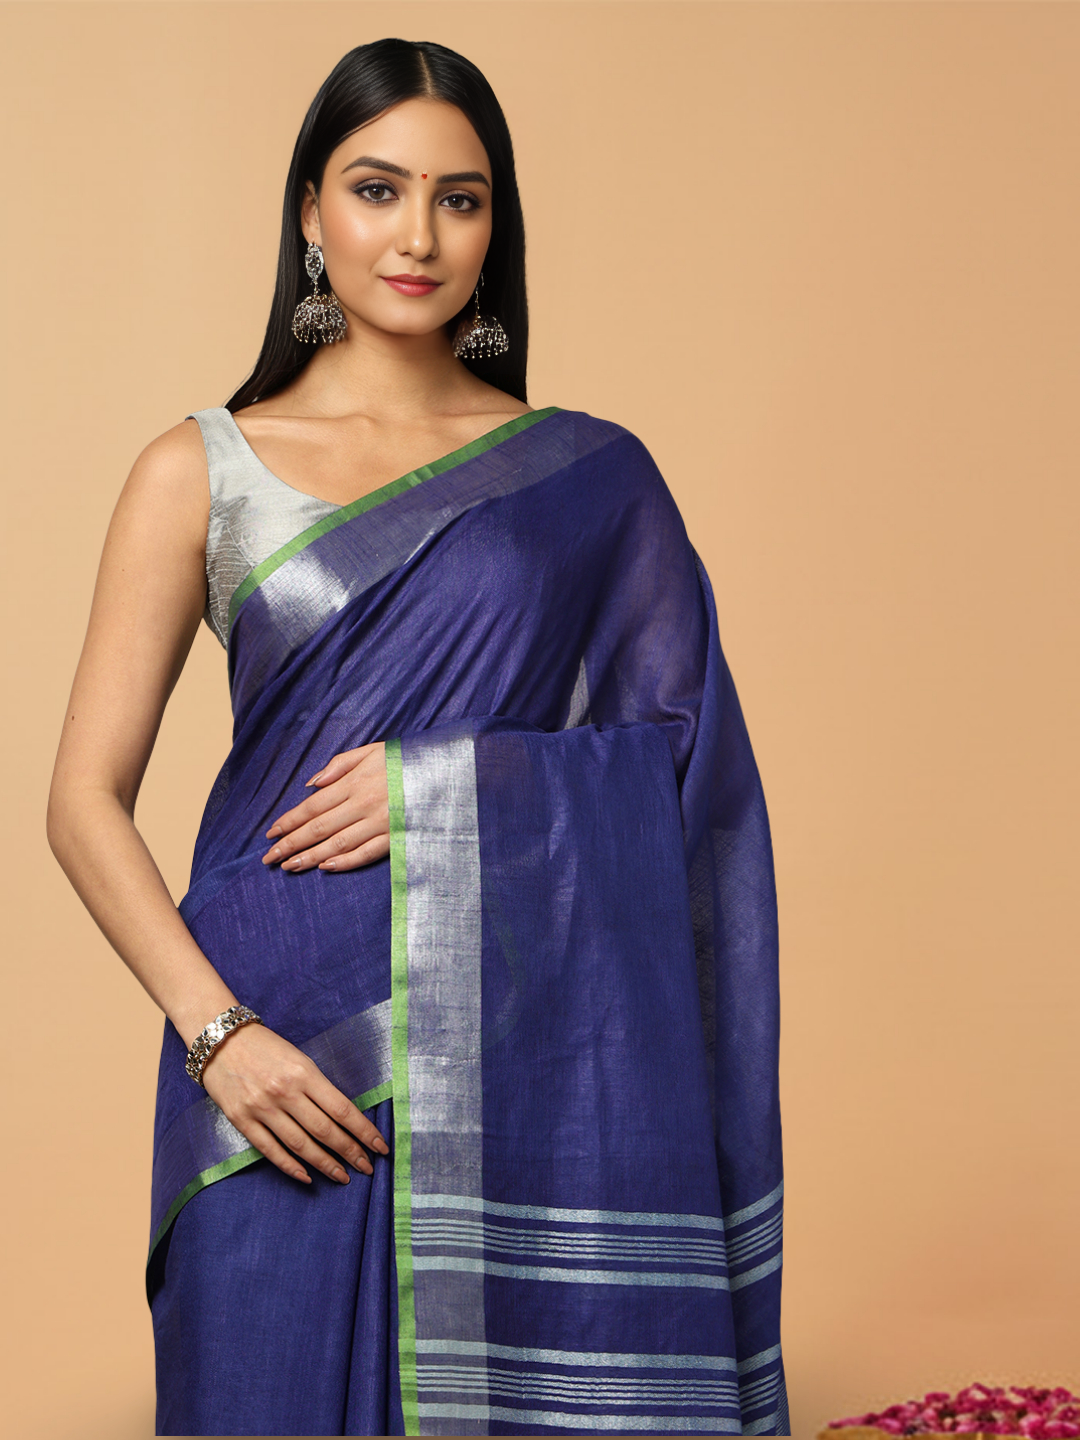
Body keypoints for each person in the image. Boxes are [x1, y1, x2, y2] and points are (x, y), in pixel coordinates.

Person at [47, 37, 788, 1439]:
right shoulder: (201, 469)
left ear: (496, 225)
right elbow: (81, 801)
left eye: (461, 198)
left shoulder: (592, 478)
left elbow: (693, 788)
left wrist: (454, 787)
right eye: (377, 189)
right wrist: (220, 1038)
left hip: (515, 1054)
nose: (420, 236)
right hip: (274, 1057)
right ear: (310, 214)